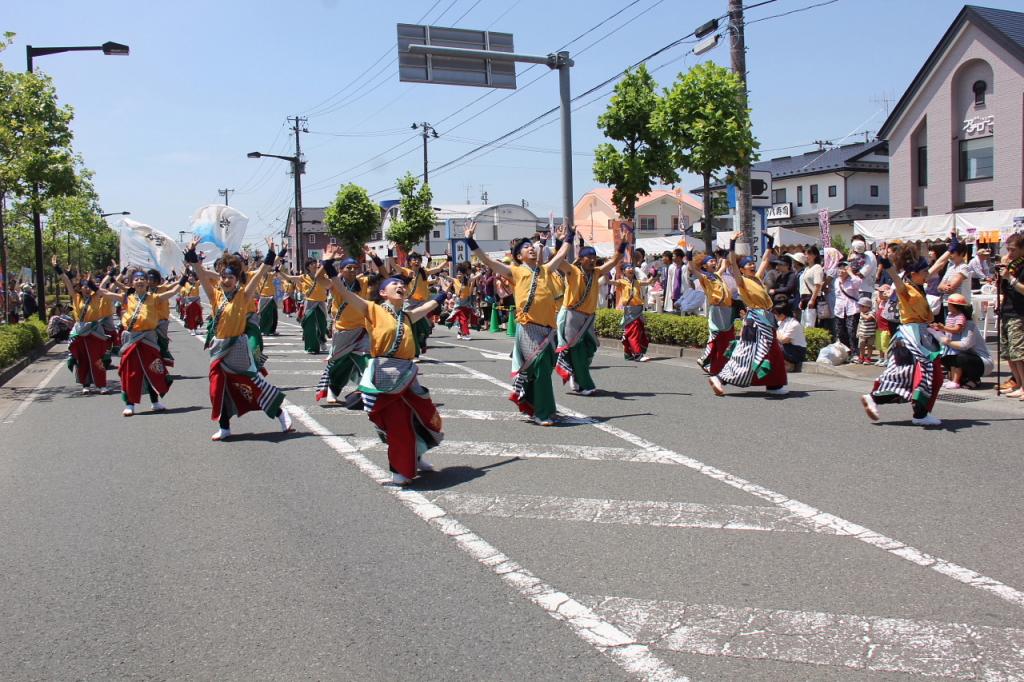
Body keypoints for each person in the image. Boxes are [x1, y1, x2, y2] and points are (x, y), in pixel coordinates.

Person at [327, 251, 452, 485]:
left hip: (407, 373)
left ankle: (418, 452)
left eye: (402, 285)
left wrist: (445, 293)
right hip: (384, 373)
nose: (400, 286)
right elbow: (343, 291)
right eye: (394, 284)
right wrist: (328, 264)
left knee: (423, 415)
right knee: (396, 421)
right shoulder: (372, 310)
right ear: (383, 292)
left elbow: (428, 306)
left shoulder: (406, 316)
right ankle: (400, 469)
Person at [464, 220, 572, 426]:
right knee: (539, 367)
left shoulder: (546, 269)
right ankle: (544, 412)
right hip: (528, 328)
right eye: (525, 248)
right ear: (518, 256)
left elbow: (561, 254)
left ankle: (531, 403)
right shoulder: (515, 271)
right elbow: (487, 261)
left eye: (531, 246)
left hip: (549, 329)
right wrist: (470, 240)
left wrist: (567, 238)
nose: (530, 248)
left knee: (542, 369)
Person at [185, 238, 293, 440]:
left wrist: (270, 253)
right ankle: (224, 426)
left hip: (238, 347)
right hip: (219, 348)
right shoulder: (215, 295)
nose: (226, 280)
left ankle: (280, 412)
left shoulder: (244, 295)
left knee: (251, 385)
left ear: (236, 279)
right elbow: (199, 272)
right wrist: (192, 254)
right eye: (223, 277)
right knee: (218, 388)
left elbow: (261, 272)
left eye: (230, 278)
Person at [860, 246, 944, 426]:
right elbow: (897, 279)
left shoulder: (920, 287)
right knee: (919, 375)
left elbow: (939, 264)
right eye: (924, 271)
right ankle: (919, 414)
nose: (927, 274)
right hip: (911, 337)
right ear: (913, 274)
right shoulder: (906, 289)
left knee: (908, 378)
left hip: (921, 336)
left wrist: (951, 248)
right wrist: (886, 264)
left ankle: (878, 400)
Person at [96, 267, 185, 416]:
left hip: (149, 339)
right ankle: (130, 404)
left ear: (147, 283)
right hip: (132, 339)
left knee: (152, 369)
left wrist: (183, 280)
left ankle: (155, 402)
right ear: (131, 283)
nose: (140, 281)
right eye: (136, 279)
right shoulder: (126, 297)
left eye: (142, 279)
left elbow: (171, 292)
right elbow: (104, 292)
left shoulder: (154, 297)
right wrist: (96, 283)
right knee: (131, 373)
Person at [708, 242, 788, 397]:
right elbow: (734, 266)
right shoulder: (741, 281)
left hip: (766, 319)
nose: (752, 265)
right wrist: (731, 246)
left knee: (772, 352)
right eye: (748, 264)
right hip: (756, 322)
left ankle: (774, 384)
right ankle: (720, 378)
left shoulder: (757, 279)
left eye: (753, 263)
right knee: (747, 354)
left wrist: (770, 244)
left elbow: (765, 260)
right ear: (743, 269)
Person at [554, 241, 624, 395]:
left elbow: (613, 261)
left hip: (588, 318)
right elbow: (558, 258)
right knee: (577, 350)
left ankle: (574, 374)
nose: (593, 260)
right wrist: (563, 240)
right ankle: (585, 385)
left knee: (590, 348)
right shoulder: (572, 271)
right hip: (571, 316)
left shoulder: (597, 272)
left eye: (594, 257)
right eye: (589, 257)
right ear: (580, 259)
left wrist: (623, 244)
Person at [52, 257, 110, 393]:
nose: (86, 288)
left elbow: (104, 284)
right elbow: (67, 281)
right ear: (80, 288)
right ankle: (85, 385)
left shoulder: (96, 297)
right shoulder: (76, 297)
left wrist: (110, 273)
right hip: (80, 332)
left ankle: (102, 385)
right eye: (84, 286)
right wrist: (57, 269)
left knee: (97, 359)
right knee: (82, 359)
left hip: (94, 331)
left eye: (88, 286)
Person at [395, 251, 449, 355]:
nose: (417, 261)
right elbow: (394, 265)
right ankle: (414, 348)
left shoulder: (424, 272)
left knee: (424, 325)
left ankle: (422, 339)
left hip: (422, 303)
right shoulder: (406, 271)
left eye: (419, 260)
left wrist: (448, 259)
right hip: (409, 302)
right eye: (414, 260)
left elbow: (437, 269)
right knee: (409, 325)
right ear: (410, 262)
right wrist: (389, 251)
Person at [690, 252, 734, 375]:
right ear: (704, 266)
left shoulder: (718, 275)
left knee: (727, 337)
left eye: (715, 261)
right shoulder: (704, 277)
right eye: (711, 261)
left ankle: (716, 362)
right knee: (716, 335)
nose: (714, 262)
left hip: (726, 309)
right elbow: (693, 268)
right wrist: (689, 255)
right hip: (717, 309)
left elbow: (724, 265)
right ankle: (705, 358)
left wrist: (727, 250)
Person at [934, 293, 990, 389]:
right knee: (945, 357)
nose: (948, 307)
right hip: (957, 349)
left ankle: (973, 378)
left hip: (980, 360)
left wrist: (946, 339)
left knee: (958, 358)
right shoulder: (950, 316)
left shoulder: (968, 324)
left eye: (950, 305)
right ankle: (958, 379)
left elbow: (964, 345)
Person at [280, 259, 331, 354]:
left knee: (322, 324)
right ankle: (311, 346)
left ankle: (322, 340)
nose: (315, 265)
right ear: (308, 267)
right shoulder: (303, 277)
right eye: (312, 264)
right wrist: (279, 271)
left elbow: (331, 283)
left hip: (321, 302)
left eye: (316, 263)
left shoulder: (323, 276)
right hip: (310, 303)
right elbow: (288, 277)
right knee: (310, 325)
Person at [996, 233, 1024, 398]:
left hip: (1019, 313)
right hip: (1007, 310)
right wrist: (1001, 277)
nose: (1009, 253)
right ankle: (1018, 384)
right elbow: (1003, 290)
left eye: (1013, 250)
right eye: (1008, 249)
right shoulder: (1012, 266)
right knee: (1009, 353)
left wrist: (1011, 279)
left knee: (1019, 353)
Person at [615, 263, 651, 362]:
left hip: (638, 310)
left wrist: (654, 276)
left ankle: (628, 354)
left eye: (632, 268)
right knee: (633, 332)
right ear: (624, 272)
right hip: (630, 311)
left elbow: (648, 282)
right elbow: (611, 282)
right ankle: (638, 354)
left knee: (638, 331)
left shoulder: (636, 282)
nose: (631, 269)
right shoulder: (621, 282)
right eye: (628, 268)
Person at [832, 261, 863, 354]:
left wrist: (850, 273)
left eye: (843, 268)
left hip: (852, 309)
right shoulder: (837, 281)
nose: (840, 271)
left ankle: (854, 352)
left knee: (852, 332)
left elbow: (858, 282)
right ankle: (845, 352)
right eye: (839, 268)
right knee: (840, 332)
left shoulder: (852, 280)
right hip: (839, 310)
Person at [448, 261, 481, 340]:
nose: (459, 275)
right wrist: (442, 274)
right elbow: (447, 277)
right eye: (458, 274)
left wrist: (480, 272)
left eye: (460, 274)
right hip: (459, 304)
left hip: (466, 303)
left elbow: (475, 277)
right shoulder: (455, 280)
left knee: (465, 318)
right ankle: (465, 334)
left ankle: (460, 333)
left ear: (463, 274)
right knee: (463, 319)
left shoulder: (467, 281)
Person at [773, 299, 806, 371]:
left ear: (782, 314)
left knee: (773, 346)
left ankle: (788, 365)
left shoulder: (793, 324)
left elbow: (783, 340)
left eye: (776, 314)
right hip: (788, 348)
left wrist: (774, 330)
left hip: (797, 351)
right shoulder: (782, 322)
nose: (775, 316)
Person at [799, 246, 825, 329]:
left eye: (809, 254)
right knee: (804, 322)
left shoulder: (817, 267)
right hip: (804, 297)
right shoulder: (806, 268)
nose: (806, 256)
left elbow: (817, 285)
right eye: (806, 254)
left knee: (810, 323)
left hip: (812, 297)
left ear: (815, 255)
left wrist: (812, 300)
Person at [662, 248, 691, 315]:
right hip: (674, 293)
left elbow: (686, 281)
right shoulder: (672, 267)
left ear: (678, 257)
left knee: (683, 311)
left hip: (682, 293)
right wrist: (671, 292)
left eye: (673, 256)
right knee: (675, 311)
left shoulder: (684, 267)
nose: (672, 258)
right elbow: (670, 281)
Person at [256, 267, 281, 336]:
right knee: (264, 316)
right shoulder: (258, 276)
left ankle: (272, 330)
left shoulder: (270, 275)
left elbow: (276, 272)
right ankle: (263, 330)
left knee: (274, 314)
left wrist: (280, 265)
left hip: (271, 297)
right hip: (263, 297)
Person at [854, 297, 877, 364]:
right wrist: (858, 332)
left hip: (871, 333)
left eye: (862, 306)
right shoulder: (862, 313)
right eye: (860, 306)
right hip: (862, 333)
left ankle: (868, 358)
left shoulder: (871, 312)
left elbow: (868, 318)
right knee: (861, 346)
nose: (860, 308)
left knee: (870, 346)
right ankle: (861, 357)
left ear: (868, 307)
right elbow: (860, 323)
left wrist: (862, 315)